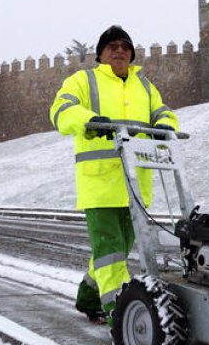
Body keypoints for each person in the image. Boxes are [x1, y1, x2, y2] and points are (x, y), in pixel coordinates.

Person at [49, 25, 179, 325]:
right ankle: (121, 318)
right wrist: (88, 120)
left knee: (116, 251)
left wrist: (167, 126)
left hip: (137, 185)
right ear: (100, 54)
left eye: (124, 46)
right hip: (100, 183)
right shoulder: (84, 80)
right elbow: (60, 110)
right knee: (110, 252)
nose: (119, 50)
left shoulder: (144, 85)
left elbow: (162, 111)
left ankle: (88, 297)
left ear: (131, 54)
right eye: (112, 46)